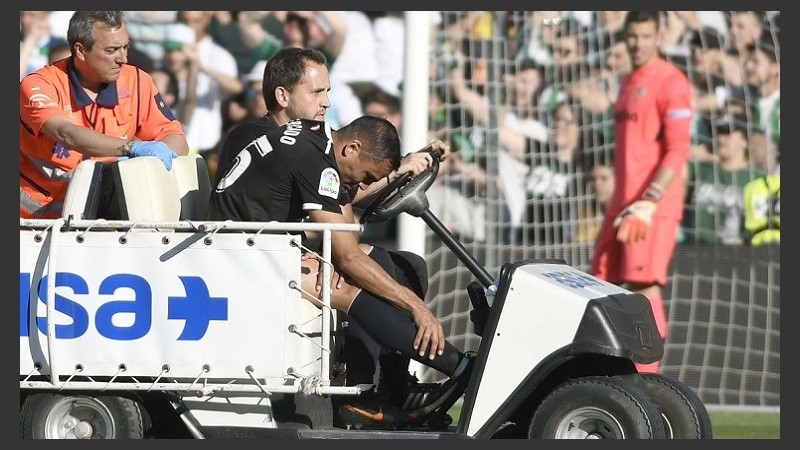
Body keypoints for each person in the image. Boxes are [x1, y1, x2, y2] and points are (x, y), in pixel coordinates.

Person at [212, 47, 458, 427]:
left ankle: (390, 386)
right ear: (283, 96)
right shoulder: (259, 136)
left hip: (273, 247)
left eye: (327, 92)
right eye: (317, 93)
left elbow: (334, 196)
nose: (327, 103)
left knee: (405, 265)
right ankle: (374, 389)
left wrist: (401, 168)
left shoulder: (309, 141)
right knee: (353, 271)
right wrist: (416, 308)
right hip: (242, 257)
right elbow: (326, 207)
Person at [588, 11, 693, 374]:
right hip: (622, 202)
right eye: (633, 36)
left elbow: (678, 150)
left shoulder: (671, 82)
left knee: (643, 286)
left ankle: (647, 381)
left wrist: (649, 200)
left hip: (652, 205)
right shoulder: (630, 80)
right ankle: (607, 373)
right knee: (601, 283)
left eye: (646, 36)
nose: (638, 43)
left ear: (659, 35)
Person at [20, 11, 189, 220]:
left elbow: (177, 140)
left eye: (126, 47)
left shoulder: (138, 81)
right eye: (112, 50)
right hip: (31, 223)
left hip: (100, 219)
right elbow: (66, 134)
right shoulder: (39, 84)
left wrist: (156, 155)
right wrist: (131, 148)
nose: (123, 58)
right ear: (80, 50)